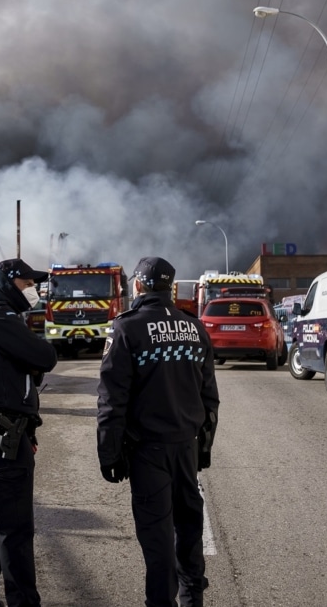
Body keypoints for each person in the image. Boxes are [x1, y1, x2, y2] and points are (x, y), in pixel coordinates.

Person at [96, 256, 220, 607]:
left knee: (158, 538)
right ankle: (192, 597)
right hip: (186, 448)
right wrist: (204, 449)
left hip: (148, 452)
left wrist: (108, 453)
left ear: (137, 285)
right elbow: (209, 398)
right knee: (189, 524)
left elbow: (111, 399)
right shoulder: (194, 328)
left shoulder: (126, 328)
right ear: (172, 288)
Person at [0, 258, 58, 607]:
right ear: (8, 282)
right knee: (15, 529)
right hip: (0, 432)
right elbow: (45, 356)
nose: (33, 289)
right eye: (27, 283)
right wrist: (31, 361)